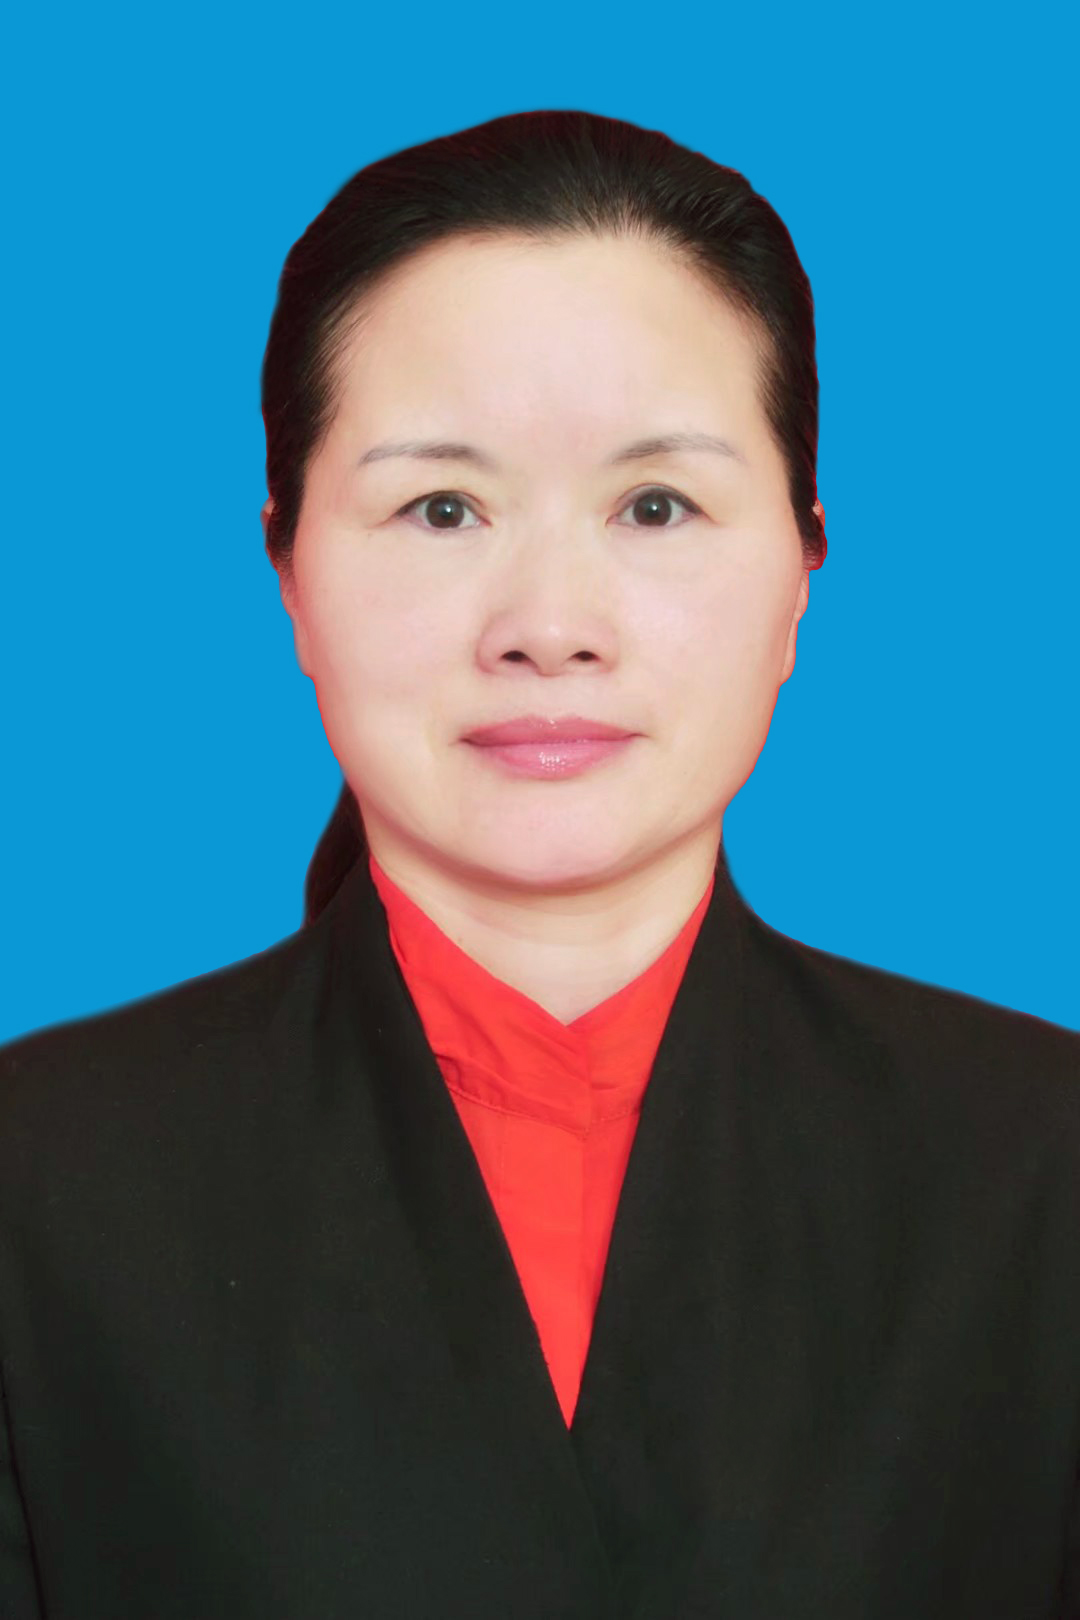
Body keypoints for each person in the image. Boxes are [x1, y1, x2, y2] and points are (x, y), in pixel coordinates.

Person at [1, 109, 1077, 1619]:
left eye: (656, 505)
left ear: (802, 566)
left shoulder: (1044, 1164)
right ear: (289, 569)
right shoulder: (37, 1183)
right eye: (442, 508)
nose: (550, 625)